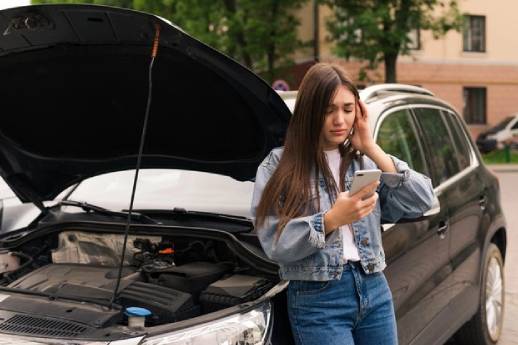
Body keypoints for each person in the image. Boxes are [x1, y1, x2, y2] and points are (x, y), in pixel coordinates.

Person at [250, 63, 434, 345]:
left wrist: (371, 146)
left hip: (374, 288)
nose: (340, 120)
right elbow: (275, 241)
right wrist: (330, 220)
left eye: (348, 109)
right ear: (310, 111)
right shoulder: (279, 165)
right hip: (318, 299)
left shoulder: (365, 160)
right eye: (328, 110)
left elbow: (422, 200)